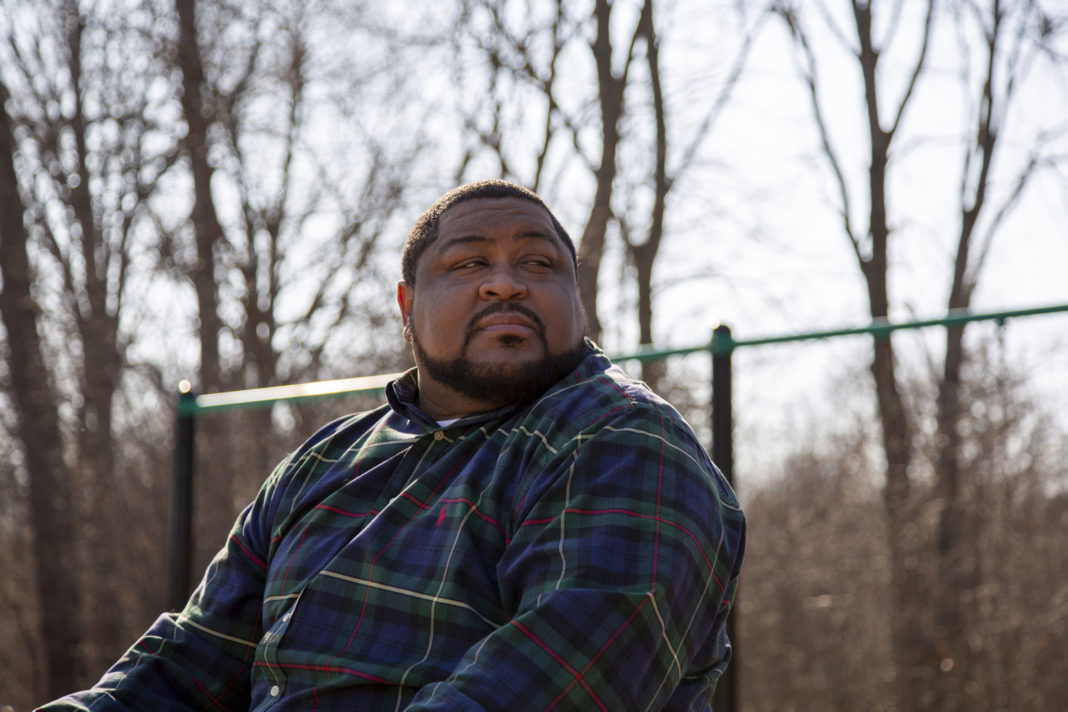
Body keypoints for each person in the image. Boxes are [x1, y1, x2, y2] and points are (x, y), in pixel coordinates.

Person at [39, 180, 745, 711]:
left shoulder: (622, 441)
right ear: (408, 307)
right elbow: (190, 661)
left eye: (539, 264)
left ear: (578, 301)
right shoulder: (324, 462)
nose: (506, 282)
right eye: (468, 265)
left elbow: (549, 685)